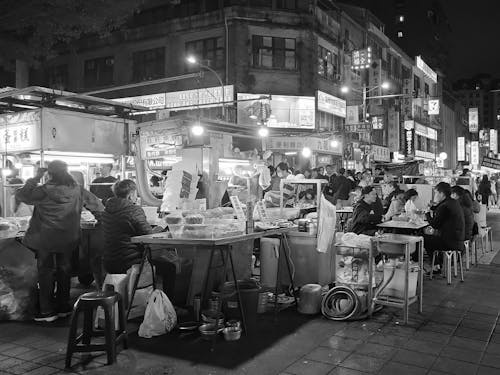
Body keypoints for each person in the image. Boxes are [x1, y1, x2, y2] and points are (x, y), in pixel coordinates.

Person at [16, 160, 103, 322]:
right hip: (68, 238)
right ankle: (63, 307)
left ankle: (47, 311)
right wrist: (99, 220)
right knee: (65, 270)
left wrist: (35, 177)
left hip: (44, 238)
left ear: (49, 173)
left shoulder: (44, 191)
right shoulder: (77, 190)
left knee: (46, 272)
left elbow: (21, 195)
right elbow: (97, 205)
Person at [102, 179, 176, 299]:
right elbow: (148, 236)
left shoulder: (106, 211)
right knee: (169, 268)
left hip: (109, 261)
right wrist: (160, 228)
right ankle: (167, 306)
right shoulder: (134, 210)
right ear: (131, 194)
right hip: (129, 262)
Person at [424, 182, 465, 271]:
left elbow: (435, 225)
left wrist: (427, 213)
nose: (435, 195)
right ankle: (437, 264)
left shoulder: (445, 206)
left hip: (448, 242)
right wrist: (433, 208)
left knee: (422, 239)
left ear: (442, 194)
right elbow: (442, 211)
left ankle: (435, 266)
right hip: (457, 240)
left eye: (436, 193)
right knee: (428, 238)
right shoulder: (453, 202)